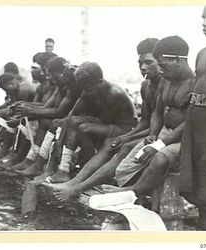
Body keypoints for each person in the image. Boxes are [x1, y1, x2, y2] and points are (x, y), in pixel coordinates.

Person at [64, 36, 195, 203]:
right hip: (162, 133)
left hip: (181, 139)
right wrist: (153, 135)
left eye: (153, 63)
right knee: (125, 164)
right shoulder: (163, 82)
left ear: (177, 59)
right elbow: (156, 114)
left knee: (156, 157)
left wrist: (158, 143)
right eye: (141, 63)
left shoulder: (195, 83)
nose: (145, 68)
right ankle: (84, 184)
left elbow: (190, 121)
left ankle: (126, 191)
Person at [45, 38, 162, 199]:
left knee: (114, 144)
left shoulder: (117, 92)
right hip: (144, 132)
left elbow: (159, 124)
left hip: (154, 134)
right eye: (140, 63)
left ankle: (79, 185)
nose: (143, 67)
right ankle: (76, 180)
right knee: (109, 140)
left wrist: (127, 136)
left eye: (148, 62)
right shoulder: (146, 86)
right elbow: (145, 122)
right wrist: (128, 137)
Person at [43, 61, 137, 184]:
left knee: (84, 129)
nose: (85, 92)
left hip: (123, 128)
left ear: (99, 82)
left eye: (87, 89)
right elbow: (72, 114)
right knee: (74, 121)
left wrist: (80, 151)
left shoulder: (114, 94)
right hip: (106, 123)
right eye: (83, 88)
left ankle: (85, 166)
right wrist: (59, 142)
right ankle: (63, 171)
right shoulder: (88, 89)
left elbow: (101, 127)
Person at [180, 5, 206, 231]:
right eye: (203, 17)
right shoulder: (203, 53)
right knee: (201, 196)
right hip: (196, 130)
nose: (204, 23)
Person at [8, 57, 79, 175]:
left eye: (50, 74)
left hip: (69, 120)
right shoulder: (59, 85)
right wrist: (23, 110)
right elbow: (46, 106)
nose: (47, 77)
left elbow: (59, 112)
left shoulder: (71, 86)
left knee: (47, 121)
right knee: (41, 118)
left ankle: (37, 164)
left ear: (61, 72)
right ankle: (30, 159)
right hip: (64, 118)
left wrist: (29, 110)